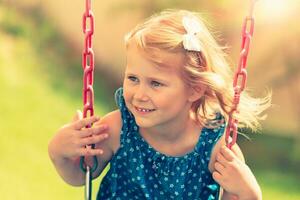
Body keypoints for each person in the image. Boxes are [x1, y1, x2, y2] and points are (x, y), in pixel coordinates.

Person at [48, 9, 271, 200]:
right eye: (133, 78)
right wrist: (58, 151)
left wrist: (250, 194)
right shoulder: (117, 128)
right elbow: (82, 174)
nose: (139, 94)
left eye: (155, 83)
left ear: (194, 89)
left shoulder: (216, 148)